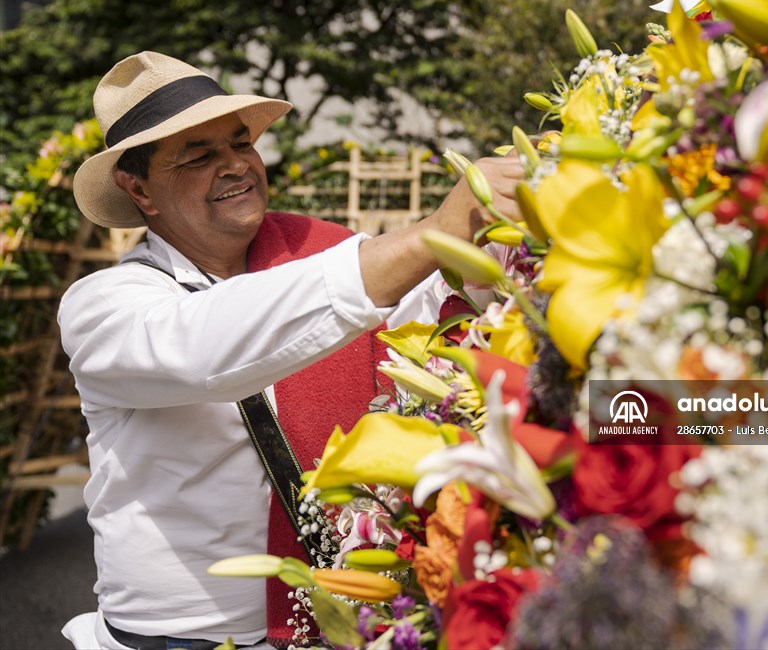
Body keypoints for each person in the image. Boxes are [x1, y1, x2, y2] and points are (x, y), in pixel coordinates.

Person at [57, 51, 522, 650]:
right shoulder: (104, 304)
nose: (235, 166)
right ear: (138, 190)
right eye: (198, 156)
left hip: (342, 619)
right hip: (180, 638)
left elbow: (439, 303)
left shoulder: (321, 250)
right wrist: (431, 234)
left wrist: (501, 234)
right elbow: (207, 346)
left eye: (239, 143)